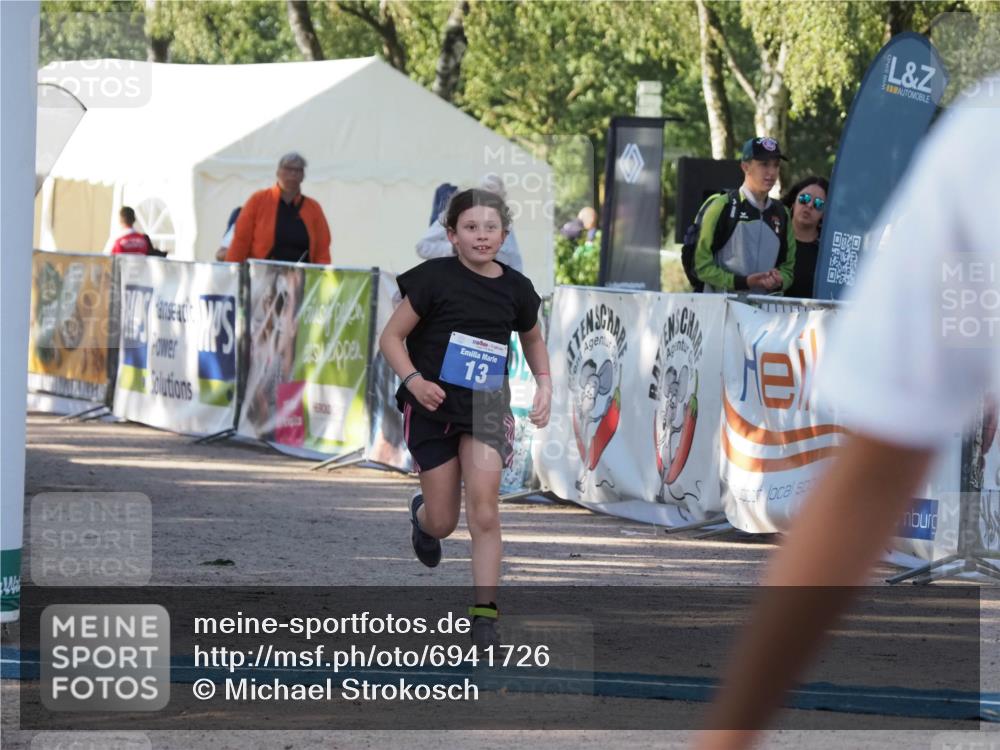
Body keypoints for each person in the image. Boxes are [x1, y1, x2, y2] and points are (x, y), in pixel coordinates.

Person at [694, 87, 999, 750]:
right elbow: (870, 476)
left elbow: (870, 477)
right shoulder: (981, 145)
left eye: (790, 177)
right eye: (769, 168)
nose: (786, 187)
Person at [379, 188, 551, 650]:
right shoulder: (433, 279)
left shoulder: (516, 287)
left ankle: (484, 616)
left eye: (490, 228)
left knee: (485, 509)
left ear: (504, 234)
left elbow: (533, 339)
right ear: (452, 235)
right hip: (433, 406)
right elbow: (391, 337)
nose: (481, 236)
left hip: (485, 408)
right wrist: (414, 380)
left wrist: (546, 383)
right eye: (471, 228)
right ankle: (422, 518)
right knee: (444, 522)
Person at [693, 137, 796, 294]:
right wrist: (742, 282)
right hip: (723, 312)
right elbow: (701, 266)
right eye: (764, 164)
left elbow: (788, 270)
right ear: (745, 166)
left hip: (767, 315)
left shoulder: (783, 213)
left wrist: (779, 279)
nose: (772, 172)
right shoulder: (722, 206)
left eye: (776, 165)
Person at [226, 152, 331, 265]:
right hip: (263, 274)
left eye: (298, 170)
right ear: (278, 172)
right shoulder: (258, 200)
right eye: (288, 168)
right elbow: (240, 240)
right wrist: (231, 270)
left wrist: (323, 276)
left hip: (301, 276)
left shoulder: (313, 208)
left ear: (303, 176)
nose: (293, 173)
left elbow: (322, 249)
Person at [416, 174, 524, 272]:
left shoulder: (503, 224)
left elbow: (515, 262)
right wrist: (455, 249)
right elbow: (423, 247)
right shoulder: (454, 214)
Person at [781, 176, 828, 299]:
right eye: (804, 198)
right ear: (793, 202)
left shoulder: (827, 251)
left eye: (818, 204)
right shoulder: (772, 236)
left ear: (824, 213)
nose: (809, 205)